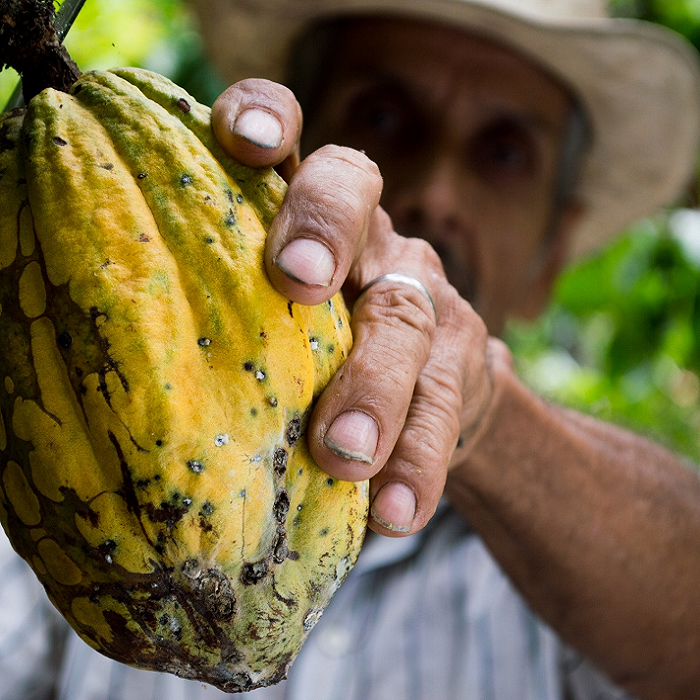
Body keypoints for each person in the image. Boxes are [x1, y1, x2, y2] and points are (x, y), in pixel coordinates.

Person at [3, 0, 700, 698]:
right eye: (386, 118)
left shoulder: (586, 589)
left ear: (551, 257)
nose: (435, 192)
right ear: (283, 156)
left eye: (504, 153)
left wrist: (482, 415)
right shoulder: (77, 397)